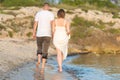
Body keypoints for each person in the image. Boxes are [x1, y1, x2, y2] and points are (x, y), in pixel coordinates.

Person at [33, 3, 54, 70]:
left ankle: (39, 61)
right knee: (45, 50)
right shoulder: (51, 14)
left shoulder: (38, 13)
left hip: (39, 34)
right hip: (47, 34)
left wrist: (34, 33)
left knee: (39, 47)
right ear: (48, 7)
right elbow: (52, 24)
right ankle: (42, 66)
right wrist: (53, 33)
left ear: (43, 7)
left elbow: (35, 23)